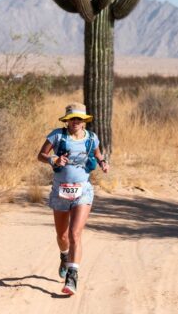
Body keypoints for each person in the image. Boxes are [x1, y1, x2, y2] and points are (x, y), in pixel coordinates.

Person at [37, 102, 109, 296]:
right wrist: (53, 159)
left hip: (83, 191)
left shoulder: (92, 137)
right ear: (67, 120)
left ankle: (72, 276)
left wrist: (102, 162)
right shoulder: (57, 135)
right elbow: (41, 155)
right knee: (62, 237)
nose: (75, 122)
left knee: (75, 233)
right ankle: (64, 255)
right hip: (61, 191)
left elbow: (96, 153)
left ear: (84, 121)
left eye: (78, 119)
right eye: (72, 119)